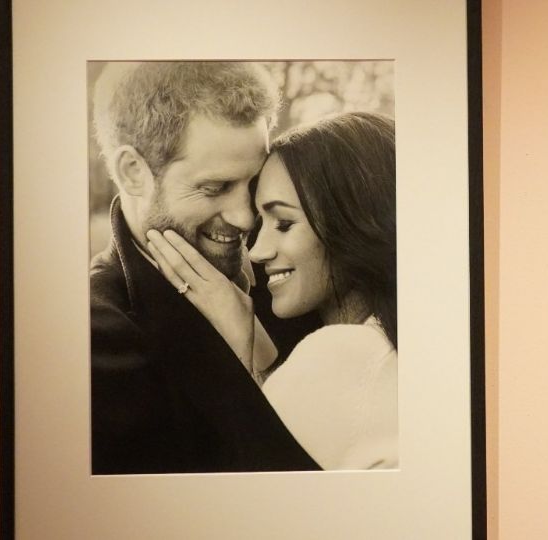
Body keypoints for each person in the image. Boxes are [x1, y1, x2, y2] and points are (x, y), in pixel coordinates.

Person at [89, 61, 320, 474]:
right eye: (215, 188)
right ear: (134, 172)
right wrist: (232, 369)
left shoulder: (293, 275)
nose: (246, 219)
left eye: (252, 183)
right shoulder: (96, 343)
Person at [146, 112, 398, 469]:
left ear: (353, 224)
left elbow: (236, 483)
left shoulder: (341, 354)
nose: (257, 251)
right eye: (261, 223)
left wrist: (235, 352)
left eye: (284, 223)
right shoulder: (390, 348)